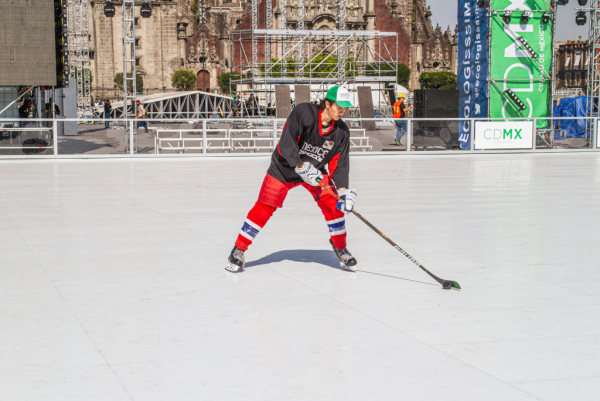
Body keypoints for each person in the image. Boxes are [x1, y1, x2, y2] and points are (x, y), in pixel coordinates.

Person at [225, 86, 358, 273]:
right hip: (284, 168)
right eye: (339, 106)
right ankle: (238, 250)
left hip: (314, 172)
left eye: (345, 107)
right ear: (327, 104)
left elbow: (339, 163)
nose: (342, 111)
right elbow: (287, 142)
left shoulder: (341, 131)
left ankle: (340, 248)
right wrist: (300, 166)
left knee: (333, 205)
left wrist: (343, 191)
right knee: (264, 206)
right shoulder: (304, 113)